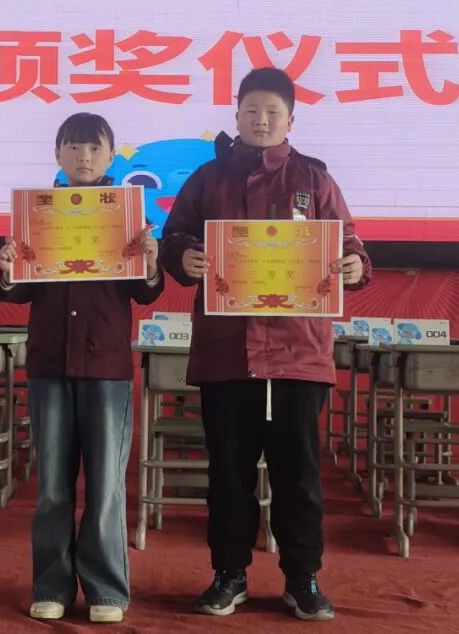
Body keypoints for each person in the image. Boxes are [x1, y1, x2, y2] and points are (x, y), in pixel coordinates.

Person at [160, 67, 371, 622]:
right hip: (227, 352)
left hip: (299, 353)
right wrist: (183, 255)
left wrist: (354, 265)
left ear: (290, 120)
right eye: (251, 111)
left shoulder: (314, 178)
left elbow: (349, 242)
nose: (260, 120)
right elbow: (173, 235)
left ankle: (303, 578)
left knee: (298, 475)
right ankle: (229, 575)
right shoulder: (208, 178)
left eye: (272, 112)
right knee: (228, 474)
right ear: (236, 116)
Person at [0, 112, 163, 624]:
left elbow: (144, 292)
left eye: (94, 148)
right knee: (52, 486)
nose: (84, 157)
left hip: (106, 364)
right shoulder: (37, 216)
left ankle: (107, 590)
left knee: (106, 485)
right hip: (50, 363)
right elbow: (18, 292)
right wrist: (9, 270)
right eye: (73, 147)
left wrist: (150, 262)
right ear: (58, 155)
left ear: (111, 156)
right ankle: (52, 585)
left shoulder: (128, 216)